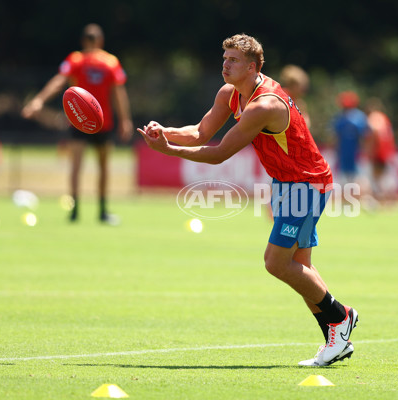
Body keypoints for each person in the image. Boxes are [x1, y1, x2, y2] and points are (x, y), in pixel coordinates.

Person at [138, 33, 358, 367]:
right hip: (285, 182)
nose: (225, 66)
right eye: (224, 59)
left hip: (307, 184)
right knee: (301, 267)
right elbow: (200, 133)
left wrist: (169, 150)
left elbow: (219, 154)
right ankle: (336, 338)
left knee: (276, 262)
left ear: (253, 67)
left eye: (233, 61)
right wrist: (164, 132)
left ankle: (341, 316)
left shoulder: (263, 105)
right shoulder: (230, 93)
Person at [22, 23, 133, 224]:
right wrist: (125, 120)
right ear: (101, 41)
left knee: (76, 167)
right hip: (103, 123)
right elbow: (119, 93)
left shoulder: (76, 59)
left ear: (83, 41)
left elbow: (58, 81)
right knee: (103, 167)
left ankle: (74, 211)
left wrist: (38, 100)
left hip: (80, 122)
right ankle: (102, 210)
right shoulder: (111, 62)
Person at [365, 97, 397, 203]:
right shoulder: (384, 117)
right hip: (386, 151)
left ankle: (378, 199)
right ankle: (389, 200)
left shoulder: (373, 118)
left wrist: (371, 149)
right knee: (384, 176)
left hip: (378, 151)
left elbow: (375, 131)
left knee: (375, 177)